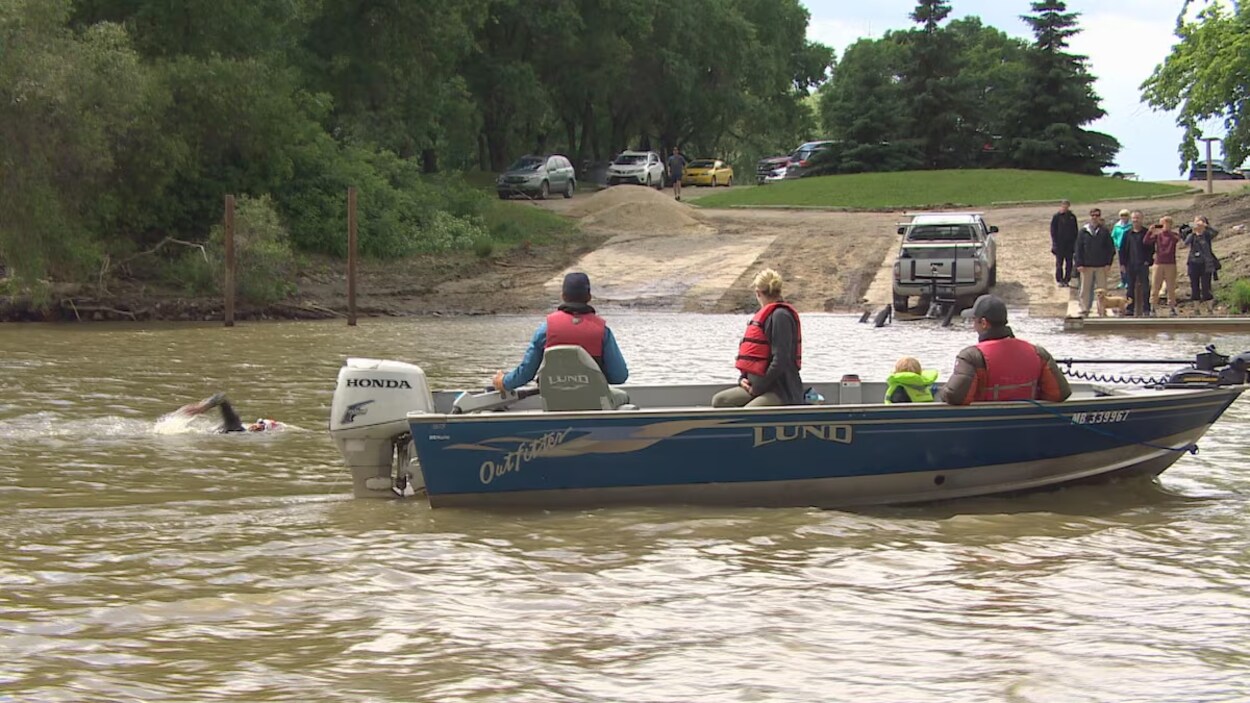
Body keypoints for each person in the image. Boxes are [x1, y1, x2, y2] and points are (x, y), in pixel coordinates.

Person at [491, 272, 629, 404]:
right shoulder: (602, 331)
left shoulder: (545, 330)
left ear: (563, 295)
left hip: (554, 403)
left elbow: (525, 373)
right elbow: (619, 376)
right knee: (624, 397)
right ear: (589, 297)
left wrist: (503, 381)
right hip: (595, 402)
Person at [938, 295, 1071, 405]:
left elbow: (956, 397)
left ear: (984, 323)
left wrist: (941, 391)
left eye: (974, 321)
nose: (973, 325)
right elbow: (1060, 394)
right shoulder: (1039, 353)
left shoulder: (971, 356)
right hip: (1028, 428)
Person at [712, 268, 803, 407]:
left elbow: (781, 360)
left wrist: (758, 388)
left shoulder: (781, 316)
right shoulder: (766, 316)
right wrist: (743, 379)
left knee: (750, 413)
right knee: (720, 401)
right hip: (758, 386)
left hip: (781, 390)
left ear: (758, 293)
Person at [1074, 208, 1115, 316]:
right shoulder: (1083, 231)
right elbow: (1078, 249)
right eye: (1093, 215)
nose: (1095, 217)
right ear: (1090, 216)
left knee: (1102, 289)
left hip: (1101, 265)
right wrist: (1079, 263)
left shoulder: (1104, 231)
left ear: (1099, 216)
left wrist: (1108, 263)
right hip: (1086, 266)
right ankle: (1084, 308)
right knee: (1085, 289)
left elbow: (1110, 249)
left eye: (1097, 215)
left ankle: (1102, 309)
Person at [179, 393, 281, 432]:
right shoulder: (235, 424)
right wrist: (201, 407)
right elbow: (221, 398)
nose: (257, 427)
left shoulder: (237, 429)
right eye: (260, 424)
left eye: (262, 429)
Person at [1117, 211, 1154, 317]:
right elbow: (1122, 250)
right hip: (1130, 264)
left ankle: (1146, 308)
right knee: (1130, 287)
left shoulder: (1146, 232)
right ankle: (1130, 308)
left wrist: (1148, 260)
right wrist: (1122, 264)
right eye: (1133, 218)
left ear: (1142, 219)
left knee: (1145, 287)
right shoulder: (1127, 233)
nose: (1135, 220)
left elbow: (1151, 248)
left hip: (1143, 264)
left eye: (1137, 218)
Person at [1182, 215, 1220, 315]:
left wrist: (1206, 226)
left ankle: (1210, 309)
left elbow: (1216, 232)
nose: (1198, 224)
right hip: (1193, 264)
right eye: (1196, 222)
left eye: (1200, 222)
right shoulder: (1192, 235)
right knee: (1194, 287)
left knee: (1206, 287)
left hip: (1206, 264)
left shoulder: (1207, 234)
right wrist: (1193, 230)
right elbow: (1185, 241)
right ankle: (1196, 309)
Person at [1145, 216, 1181, 316]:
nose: (1163, 226)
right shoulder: (1157, 235)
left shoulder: (1173, 235)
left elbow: (1176, 240)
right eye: (1161, 223)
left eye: (1165, 223)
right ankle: (1153, 307)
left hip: (1170, 263)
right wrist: (1150, 231)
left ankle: (1172, 307)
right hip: (1158, 263)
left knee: (1171, 287)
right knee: (1155, 286)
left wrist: (1167, 231)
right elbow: (1146, 241)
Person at [1050, 199, 1079, 287]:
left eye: (1066, 205)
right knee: (1059, 263)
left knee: (1069, 263)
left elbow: (1075, 231)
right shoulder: (1057, 216)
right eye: (1063, 205)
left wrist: (1075, 244)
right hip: (1060, 244)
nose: (1065, 207)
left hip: (1069, 245)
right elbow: (1053, 231)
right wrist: (1054, 243)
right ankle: (1059, 279)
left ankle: (1067, 279)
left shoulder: (1072, 217)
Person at [1110, 208, 1132, 288]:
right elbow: (1113, 236)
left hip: (1129, 247)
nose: (1124, 217)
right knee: (1122, 265)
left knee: (1129, 264)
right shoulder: (1117, 226)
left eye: (1125, 215)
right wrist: (1116, 243)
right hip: (1120, 248)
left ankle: (1129, 281)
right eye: (1122, 215)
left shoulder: (1130, 225)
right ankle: (1123, 281)